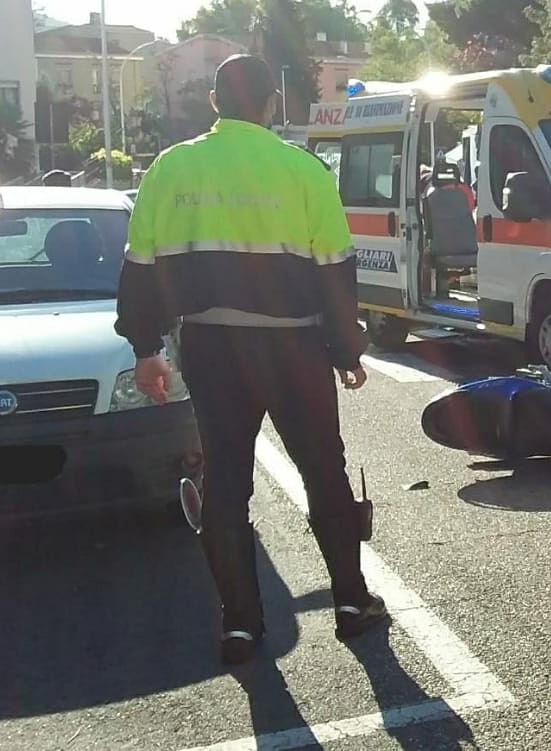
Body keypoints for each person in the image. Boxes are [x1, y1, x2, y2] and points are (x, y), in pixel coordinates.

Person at [115, 54, 382, 666]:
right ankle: (349, 602)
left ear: (213, 102)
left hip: (211, 347)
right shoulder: (302, 170)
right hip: (294, 348)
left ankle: (239, 624)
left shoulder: (171, 168)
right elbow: (336, 273)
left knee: (227, 485)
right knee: (323, 473)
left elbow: (140, 267)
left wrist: (145, 349)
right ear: (272, 103)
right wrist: (347, 351)